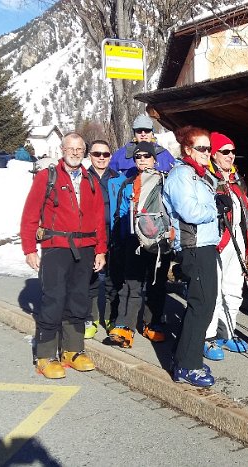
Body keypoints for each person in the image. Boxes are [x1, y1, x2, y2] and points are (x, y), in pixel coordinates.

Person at [19, 132, 107, 379]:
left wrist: (101, 250)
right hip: (56, 247)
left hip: (86, 248)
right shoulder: (48, 177)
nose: (76, 153)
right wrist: (29, 248)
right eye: (72, 148)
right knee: (54, 299)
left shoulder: (90, 180)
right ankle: (46, 355)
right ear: (62, 149)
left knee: (79, 300)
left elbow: (99, 219)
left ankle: (73, 351)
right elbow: (30, 214)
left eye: (80, 149)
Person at [163, 126, 223, 387]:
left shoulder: (201, 175)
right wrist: (215, 208)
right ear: (188, 149)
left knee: (205, 304)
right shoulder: (181, 175)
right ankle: (187, 366)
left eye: (208, 148)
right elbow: (190, 212)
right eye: (201, 148)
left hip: (206, 244)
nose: (206, 153)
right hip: (193, 247)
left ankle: (186, 357)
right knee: (201, 305)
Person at [106, 142, 170, 348]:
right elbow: (121, 213)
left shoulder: (165, 181)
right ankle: (125, 326)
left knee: (156, 283)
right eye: (138, 157)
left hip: (159, 239)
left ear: (154, 159)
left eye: (146, 156)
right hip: (133, 240)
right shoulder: (128, 183)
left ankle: (152, 323)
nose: (142, 159)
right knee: (131, 283)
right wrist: (119, 240)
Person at [203, 132, 248, 361]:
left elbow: (243, 203)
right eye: (225, 152)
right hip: (217, 241)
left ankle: (228, 331)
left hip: (237, 239)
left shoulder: (235, 179)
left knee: (234, 288)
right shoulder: (207, 178)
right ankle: (208, 336)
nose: (230, 156)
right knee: (214, 291)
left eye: (233, 151)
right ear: (214, 155)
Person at [84, 139, 126, 339]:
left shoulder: (118, 178)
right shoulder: (83, 178)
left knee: (113, 278)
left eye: (106, 154)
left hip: (113, 234)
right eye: (97, 154)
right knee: (90, 277)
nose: (101, 158)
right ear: (90, 155)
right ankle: (88, 318)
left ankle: (111, 317)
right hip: (89, 235)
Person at [109, 114, 175, 176]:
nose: (143, 134)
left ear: (152, 132)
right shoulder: (121, 155)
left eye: (147, 130)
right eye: (139, 131)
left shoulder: (164, 154)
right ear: (134, 133)